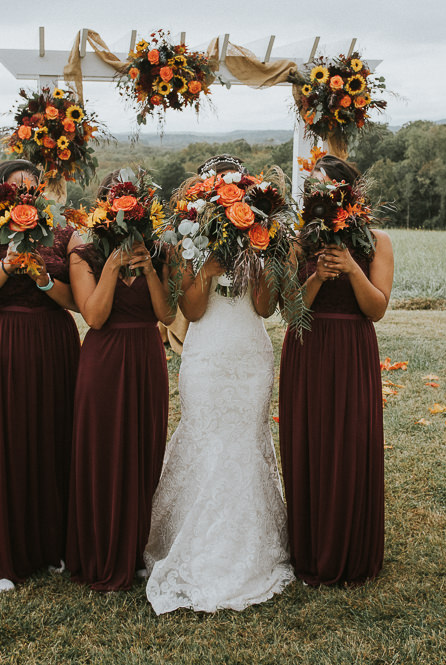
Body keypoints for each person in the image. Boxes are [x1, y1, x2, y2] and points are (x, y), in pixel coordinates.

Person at [143, 154, 294, 614]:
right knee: (206, 437)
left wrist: (262, 258)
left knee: (245, 441)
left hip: (249, 352)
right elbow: (190, 312)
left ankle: (248, 549)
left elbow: (266, 308)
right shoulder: (190, 239)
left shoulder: (262, 239)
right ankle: (189, 544)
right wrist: (204, 272)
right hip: (206, 352)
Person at [0, 160, 79, 592]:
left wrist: (43, 279)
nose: (26, 195)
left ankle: (49, 545)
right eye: (16, 189)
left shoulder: (62, 234)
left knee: (49, 441)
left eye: (33, 189)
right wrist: (4, 267)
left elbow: (79, 301)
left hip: (51, 349)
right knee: (0, 444)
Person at [278, 155, 394, 585]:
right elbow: (289, 312)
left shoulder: (377, 242)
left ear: (348, 194)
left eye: (325, 190)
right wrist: (318, 279)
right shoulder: (297, 242)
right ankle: (310, 547)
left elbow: (377, 308)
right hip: (307, 350)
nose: (317, 197)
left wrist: (350, 269)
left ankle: (351, 549)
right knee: (309, 442)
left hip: (352, 352)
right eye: (312, 190)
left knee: (350, 443)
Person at [65, 171, 174, 591]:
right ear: (104, 212)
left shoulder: (161, 251)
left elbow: (166, 315)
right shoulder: (85, 254)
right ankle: (100, 551)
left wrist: (148, 269)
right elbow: (93, 316)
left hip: (147, 356)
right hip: (104, 359)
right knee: (102, 451)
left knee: (144, 450)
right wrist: (112, 266)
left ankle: (136, 551)